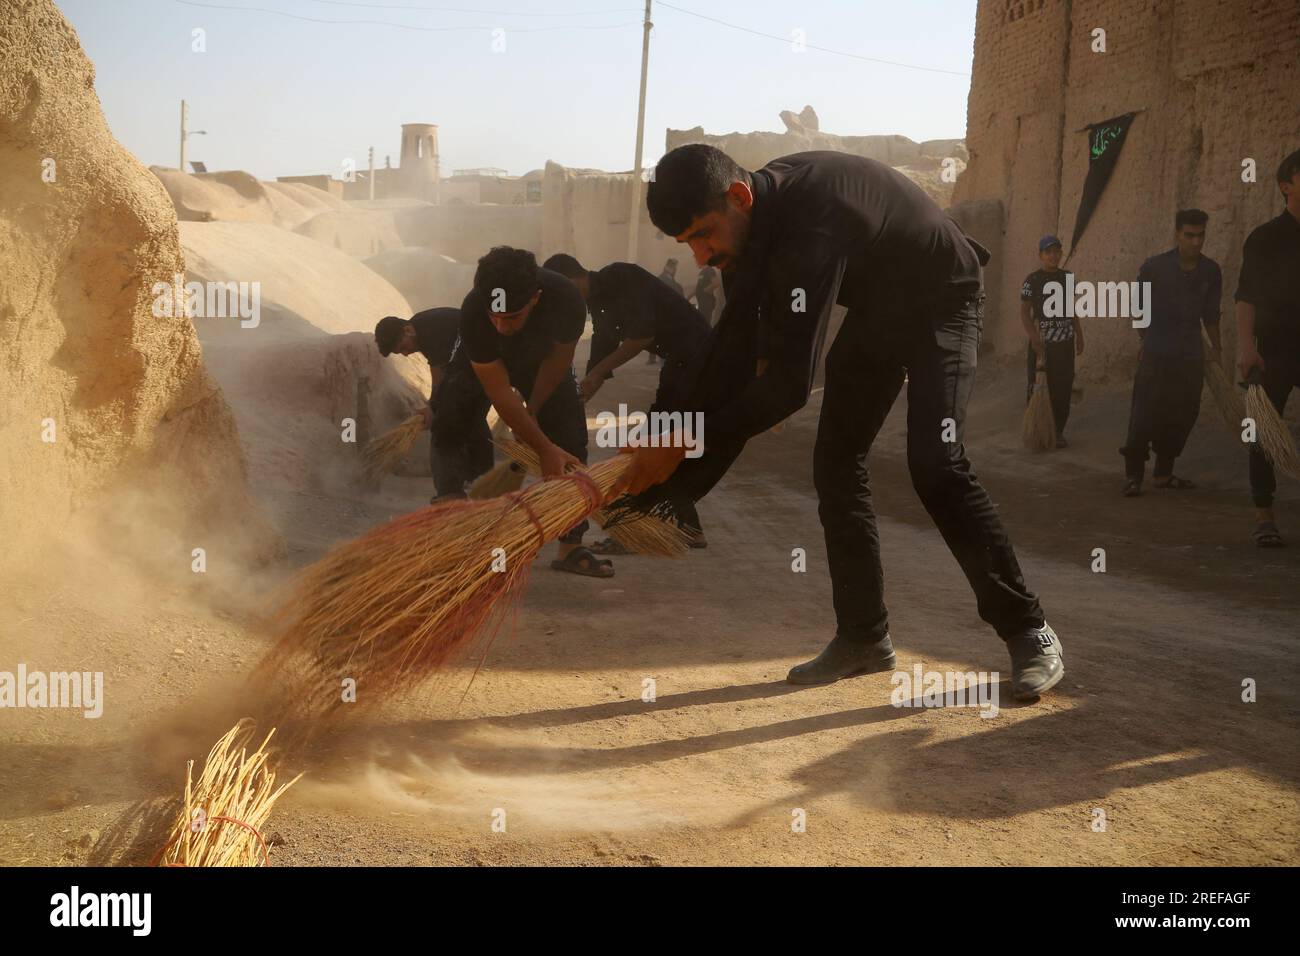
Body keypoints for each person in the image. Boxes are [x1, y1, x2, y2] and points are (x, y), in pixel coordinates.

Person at [618, 144, 1062, 700]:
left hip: (943, 299)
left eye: (704, 235)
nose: (702, 256)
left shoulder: (812, 219)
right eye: (689, 245)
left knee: (935, 465)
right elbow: (729, 352)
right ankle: (862, 638)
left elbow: (786, 389)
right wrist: (672, 454)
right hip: (879, 311)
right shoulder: (751, 224)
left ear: (737, 196)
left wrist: (684, 445)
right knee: (835, 463)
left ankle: (1028, 630)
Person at [458, 246, 613, 577]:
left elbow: (557, 365)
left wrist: (533, 412)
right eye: (494, 316)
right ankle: (467, 522)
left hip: (541, 363)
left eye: (512, 317)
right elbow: (498, 389)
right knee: (454, 411)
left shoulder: (566, 299)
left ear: (535, 298)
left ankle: (571, 545)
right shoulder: (473, 313)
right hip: (490, 363)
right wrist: (538, 443)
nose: (501, 326)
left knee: (569, 440)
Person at [542, 253, 711, 546]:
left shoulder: (621, 276)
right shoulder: (596, 306)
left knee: (651, 443)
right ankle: (688, 527)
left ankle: (633, 531)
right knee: (661, 442)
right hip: (681, 362)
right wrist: (575, 402)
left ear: (573, 279)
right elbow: (599, 363)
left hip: (698, 358)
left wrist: (597, 371)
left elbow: (641, 337)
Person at [1120, 209, 1222, 496]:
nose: (1196, 242)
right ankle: (1133, 476)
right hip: (1157, 350)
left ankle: (1164, 474)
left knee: (1184, 412)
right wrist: (1146, 340)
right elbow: (1138, 310)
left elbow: (1212, 315)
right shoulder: (1154, 268)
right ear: (1177, 234)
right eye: (1189, 235)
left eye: (1200, 235)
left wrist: (1217, 350)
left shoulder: (1210, 271)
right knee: (1144, 412)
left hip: (1190, 353)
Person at [1236, 149, 1300, 548]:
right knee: (1262, 433)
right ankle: (1264, 514)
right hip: (1274, 349)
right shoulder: (1265, 238)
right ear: (1286, 186)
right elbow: (1246, 298)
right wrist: (1246, 348)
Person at [375, 309, 491, 499]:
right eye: (400, 352)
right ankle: (475, 480)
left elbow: (440, 378)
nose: (405, 354)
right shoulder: (419, 329)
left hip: (485, 360)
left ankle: (465, 486)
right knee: (466, 418)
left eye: (403, 347)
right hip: (470, 365)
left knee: (460, 420)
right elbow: (440, 374)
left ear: (407, 330)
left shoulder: (431, 330)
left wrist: (432, 407)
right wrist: (432, 405)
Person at [1019, 236, 1083, 448]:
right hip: (1043, 343)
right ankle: (1038, 430)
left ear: (1061, 254)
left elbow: (1072, 308)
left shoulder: (1068, 278)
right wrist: (1034, 338)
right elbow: (1025, 313)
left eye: (1056, 252)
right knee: (1038, 386)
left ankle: (1057, 432)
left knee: (1063, 388)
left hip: (1065, 342)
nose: (1053, 256)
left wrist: (1079, 335)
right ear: (1040, 255)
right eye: (1048, 252)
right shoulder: (1032, 280)